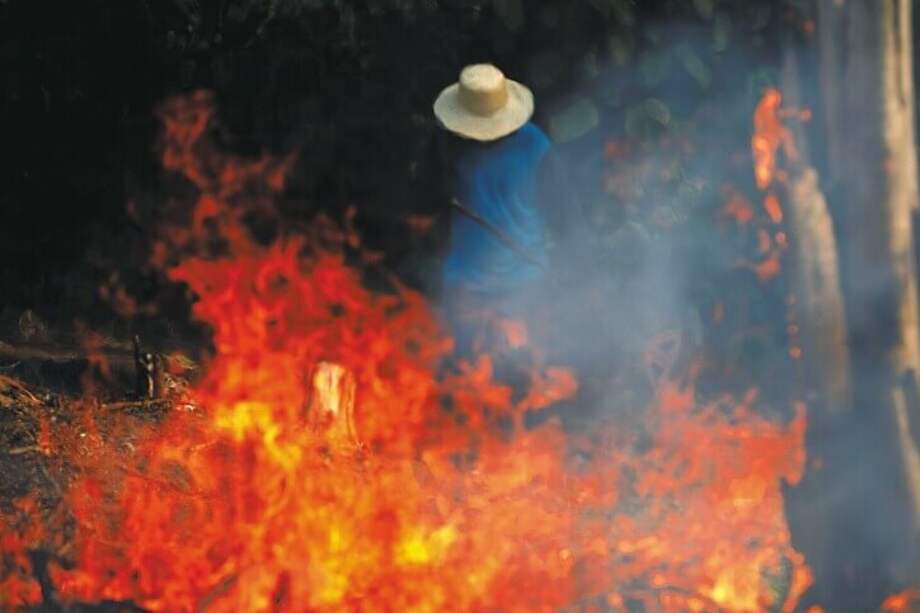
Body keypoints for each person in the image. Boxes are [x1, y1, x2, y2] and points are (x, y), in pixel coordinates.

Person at [432, 63, 565, 358]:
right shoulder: (451, 146)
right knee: (463, 375)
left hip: (521, 287)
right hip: (467, 285)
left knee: (512, 377)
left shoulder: (536, 150)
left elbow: (567, 218)